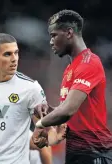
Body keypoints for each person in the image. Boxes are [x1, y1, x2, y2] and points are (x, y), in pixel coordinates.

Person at [34, 10, 112, 163]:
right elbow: (70, 114)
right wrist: (51, 110)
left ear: (69, 33)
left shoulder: (89, 63)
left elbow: (68, 110)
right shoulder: (71, 68)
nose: (51, 42)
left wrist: (40, 125)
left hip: (94, 152)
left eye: (54, 35)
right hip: (77, 153)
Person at [0, 33, 55, 164]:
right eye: (7, 54)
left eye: (16, 53)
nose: (15, 59)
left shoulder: (31, 88)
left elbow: (44, 135)